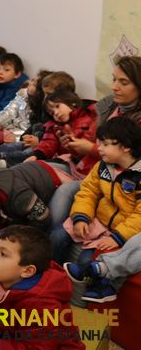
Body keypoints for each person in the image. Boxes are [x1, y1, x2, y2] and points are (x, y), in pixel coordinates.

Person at [58, 117, 141, 302]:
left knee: (88, 260)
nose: (99, 149)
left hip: (125, 229)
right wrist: (81, 217)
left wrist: (117, 236)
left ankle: (84, 304)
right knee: (59, 235)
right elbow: (88, 192)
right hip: (100, 221)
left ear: (126, 146)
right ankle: (52, 281)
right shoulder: (104, 165)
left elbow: (140, 215)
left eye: (104, 144)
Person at [0, 225, 83, 350]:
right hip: (12, 333)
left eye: (3, 254)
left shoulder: (41, 304)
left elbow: (37, 347)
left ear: (28, 271)